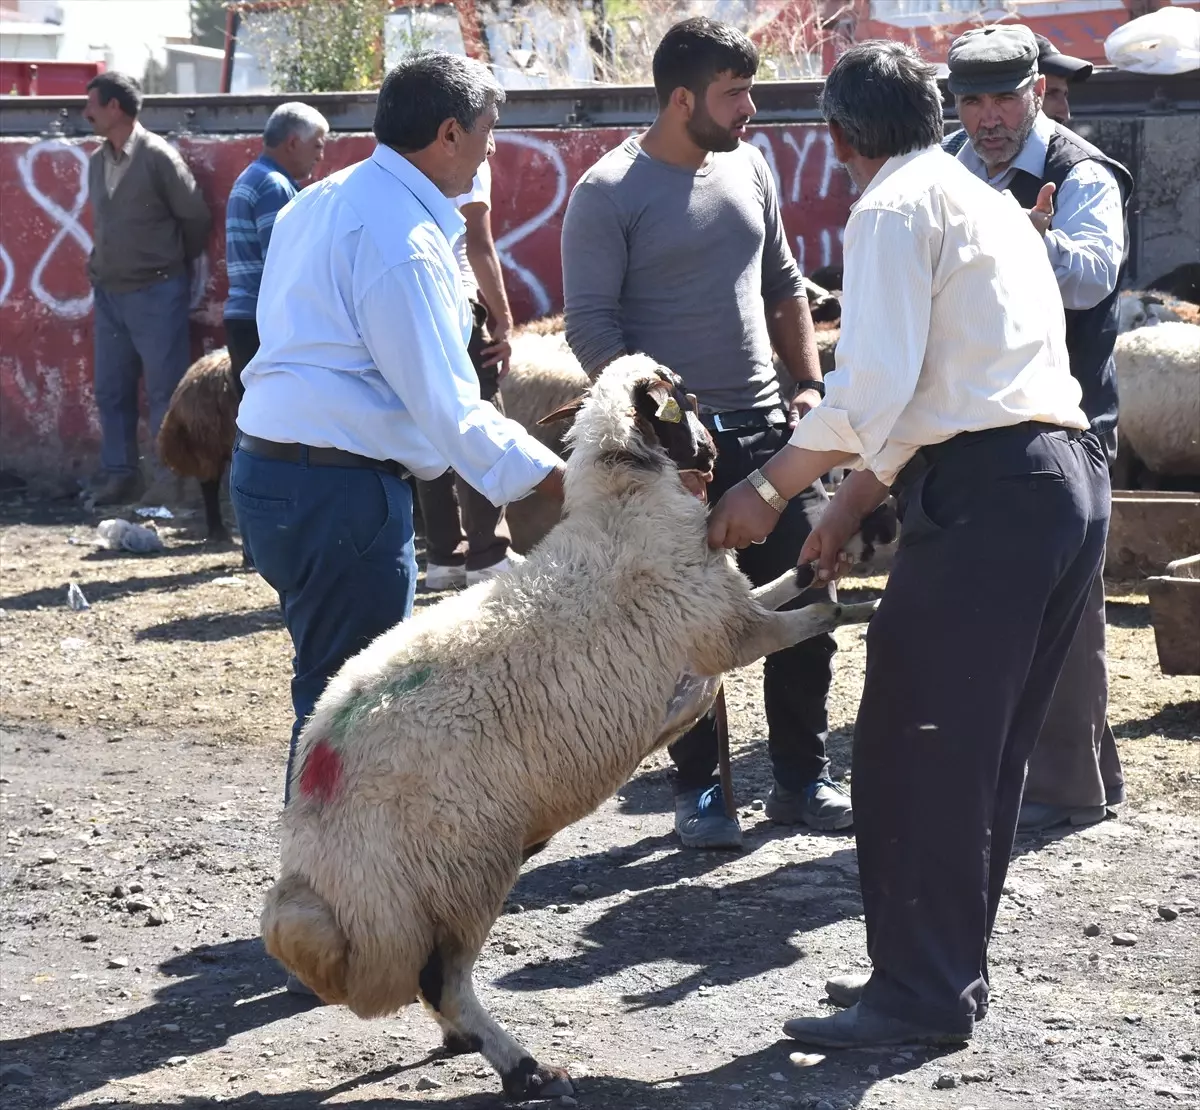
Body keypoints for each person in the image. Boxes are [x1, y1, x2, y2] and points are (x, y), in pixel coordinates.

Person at [708, 41, 1108, 1047]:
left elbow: (877, 387)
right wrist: (846, 510)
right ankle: (934, 978)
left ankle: (920, 998)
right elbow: (939, 388)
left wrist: (771, 489)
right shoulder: (977, 195)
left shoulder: (890, 208)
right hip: (1058, 482)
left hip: (994, 495)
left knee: (918, 746)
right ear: (933, 115)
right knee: (976, 755)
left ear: (838, 138)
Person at [231, 51, 566, 820]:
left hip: (278, 479)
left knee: (336, 688)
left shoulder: (322, 201)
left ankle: (329, 886)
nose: (492, 149)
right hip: (339, 492)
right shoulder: (401, 238)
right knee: (349, 703)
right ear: (449, 133)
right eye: (488, 132)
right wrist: (569, 479)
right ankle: (325, 894)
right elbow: (452, 413)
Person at [561, 16, 849, 850]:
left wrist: (807, 388)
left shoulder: (749, 166)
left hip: (770, 435)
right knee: (689, 631)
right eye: (734, 94)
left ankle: (802, 779)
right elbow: (591, 330)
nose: (750, 108)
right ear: (680, 98)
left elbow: (786, 286)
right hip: (671, 459)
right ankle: (701, 795)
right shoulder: (607, 192)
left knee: (807, 594)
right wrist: (668, 434)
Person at [948, 24, 1130, 832]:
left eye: (1004, 98)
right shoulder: (949, 166)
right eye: (973, 100)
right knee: (992, 608)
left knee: (1068, 613)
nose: (988, 117)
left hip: (1067, 421)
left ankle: (1068, 791)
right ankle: (1044, 777)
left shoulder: (1080, 172)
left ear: (1036, 92)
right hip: (977, 417)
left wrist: (1023, 240)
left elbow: (1091, 282)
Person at [83, 71, 211, 506]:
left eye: (93, 105)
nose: (86, 114)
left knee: (165, 391)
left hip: (156, 292)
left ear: (115, 107)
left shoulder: (157, 156)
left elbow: (194, 216)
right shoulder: (97, 160)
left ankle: (170, 481)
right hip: (110, 293)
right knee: (111, 389)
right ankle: (120, 474)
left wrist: (167, 262)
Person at [417, 157, 521, 589]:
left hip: (419, 301)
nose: (494, 142)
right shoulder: (468, 157)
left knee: (429, 424)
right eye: (490, 128)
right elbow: (477, 243)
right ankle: (488, 554)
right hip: (460, 304)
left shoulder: (402, 151)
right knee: (481, 419)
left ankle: (445, 556)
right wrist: (503, 317)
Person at [223, 101, 329, 382]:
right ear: (293, 143)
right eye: (318, 146)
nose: (321, 156)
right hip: (265, 323)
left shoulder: (252, 176)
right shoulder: (274, 186)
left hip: (244, 318)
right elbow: (285, 267)